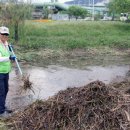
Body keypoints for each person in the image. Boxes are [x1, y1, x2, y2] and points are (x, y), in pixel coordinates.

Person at [0, 26, 16, 117]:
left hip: (6, 71)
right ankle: (1, 112)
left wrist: (11, 51)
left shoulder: (6, 43)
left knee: (6, 90)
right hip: (0, 72)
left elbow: (8, 54)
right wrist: (9, 57)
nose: (5, 36)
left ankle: (2, 106)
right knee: (1, 91)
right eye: (3, 34)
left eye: (6, 34)